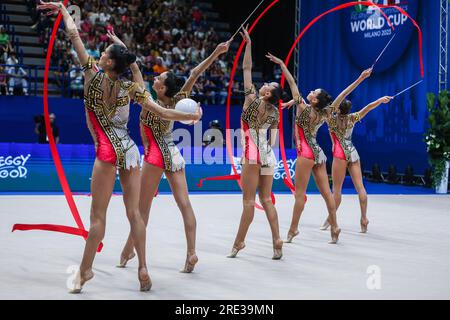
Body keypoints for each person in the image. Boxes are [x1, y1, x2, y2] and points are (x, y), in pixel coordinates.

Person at [37, 1, 201, 293]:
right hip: (131, 151)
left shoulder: (92, 75)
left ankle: (85, 271)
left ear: (109, 63)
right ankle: (142, 268)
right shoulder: (131, 88)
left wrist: (63, 11)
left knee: (98, 218)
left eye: (103, 54)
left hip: (107, 151)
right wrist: (189, 116)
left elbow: (75, 37)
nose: (98, 55)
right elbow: (161, 111)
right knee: (134, 214)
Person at [118, 36, 232, 273]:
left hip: (155, 155)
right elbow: (194, 75)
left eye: (159, 78)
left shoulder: (148, 99)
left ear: (161, 88)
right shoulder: (178, 100)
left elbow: (135, 67)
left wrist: (121, 45)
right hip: (173, 153)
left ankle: (129, 251)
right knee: (185, 204)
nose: (155, 78)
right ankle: (191, 252)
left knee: (142, 210)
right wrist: (216, 53)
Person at [227, 26, 287, 260]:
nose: (265, 84)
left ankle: (238, 242)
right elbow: (272, 139)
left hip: (251, 151)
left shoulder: (251, 98)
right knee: (266, 199)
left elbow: (246, 67)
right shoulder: (275, 112)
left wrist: (248, 44)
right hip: (267, 154)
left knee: (248, 201)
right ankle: (277, 241)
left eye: (268, 85)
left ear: (266, 93)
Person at [273, 66, 340, 245]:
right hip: (318, 151)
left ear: (315, 100)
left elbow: (292, 82)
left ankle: (293, 228)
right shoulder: (324, 112)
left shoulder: (303, 107)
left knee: (300, 195)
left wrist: (281, 63)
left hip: (305, 151)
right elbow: (342, 95)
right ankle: (334, 227)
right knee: (327, 193)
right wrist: (361, 79)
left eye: (313, 92)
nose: (310, 91)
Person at [319, 68, 392, 233]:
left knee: (336, 190)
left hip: (339, 152)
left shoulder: (331, 120)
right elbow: (368, 107)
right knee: (361, 188)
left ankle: (330, 220)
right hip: (352, 151)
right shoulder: (353, 117)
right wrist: (380, 100)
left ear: (337, 109)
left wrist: (360, 79)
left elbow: (342, 97)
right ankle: (364, 219)